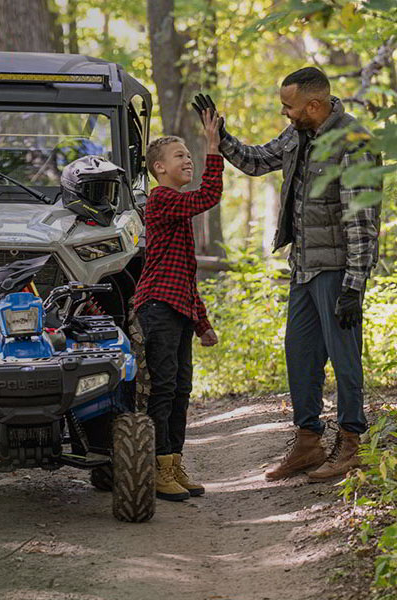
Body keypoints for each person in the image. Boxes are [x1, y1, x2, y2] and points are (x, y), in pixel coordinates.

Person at [193, 66, 381, 481]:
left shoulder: (353, 142)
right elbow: (257, 161)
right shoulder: (298, 135)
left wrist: (354, 284)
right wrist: (220, 136)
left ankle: (352, 441)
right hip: (304, 267)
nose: (284, 113)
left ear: (314, 104)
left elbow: (361, 220)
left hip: (337, 270)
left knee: (344, 358)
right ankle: (308, 442)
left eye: (288, 106)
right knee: (300, 354)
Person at [133, 110, 222, 502]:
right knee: (163, 388)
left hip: (178, 308)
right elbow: (210, 196)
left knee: (181, 388)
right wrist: (213, 148)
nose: (188, 160)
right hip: (157, 308)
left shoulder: (176, 208)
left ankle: (172, 463)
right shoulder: (162, 200)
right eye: (180, 155)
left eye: (190, 154)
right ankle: (155, 466)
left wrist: (203, 323)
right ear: (159, 168)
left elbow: (184, 277)